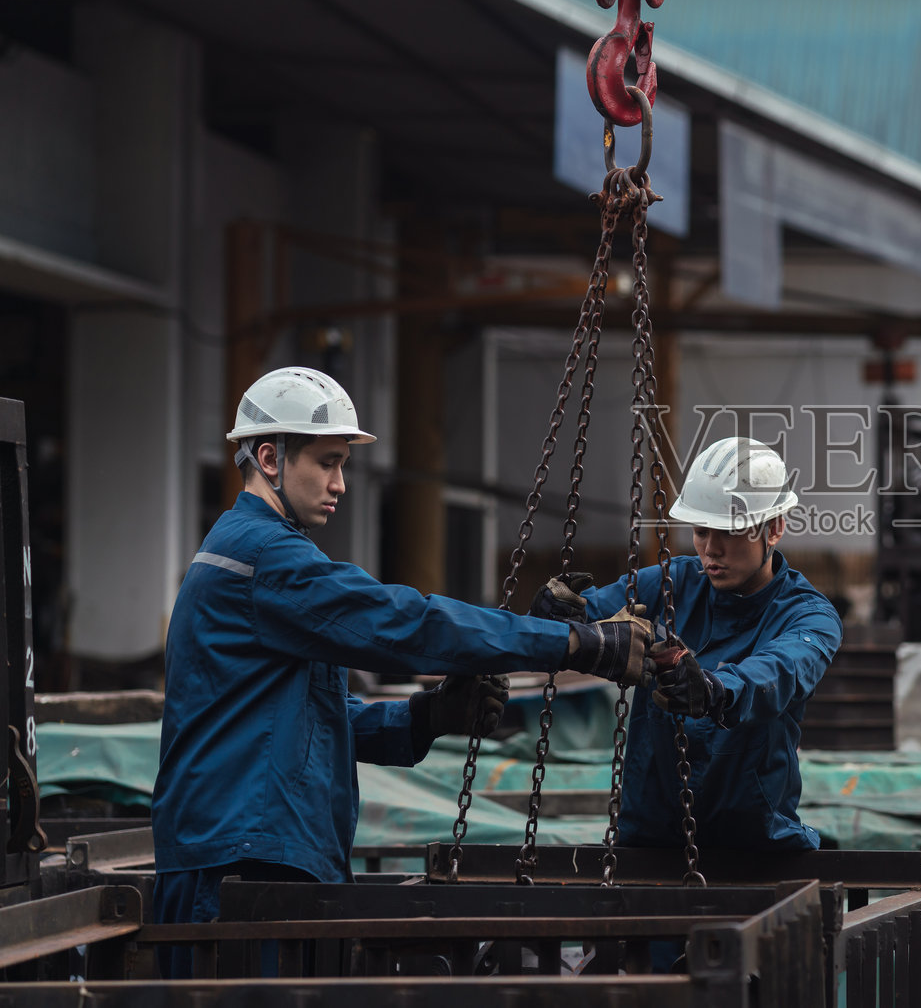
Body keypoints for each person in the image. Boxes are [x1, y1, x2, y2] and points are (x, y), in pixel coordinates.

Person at [152, 367, 652, 971]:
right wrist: (574, 644)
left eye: (344, 465)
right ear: (269, 457)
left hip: (256, 854)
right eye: (327, 462)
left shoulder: (250, 554)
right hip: (239, 866)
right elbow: (405, 623)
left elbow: (307, 721)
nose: (340, 483)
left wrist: (425, 717)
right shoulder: (266, 559)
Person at [534, 436, 843, 852]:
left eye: (728, 533)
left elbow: (780, 669)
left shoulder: (808, 618)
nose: (710, 549)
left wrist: (715, 690)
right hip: (646, 843)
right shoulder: (669, 585)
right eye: (700, 531)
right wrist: (557, 614)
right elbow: (589, 613)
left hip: (755, 849)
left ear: (775, 528)